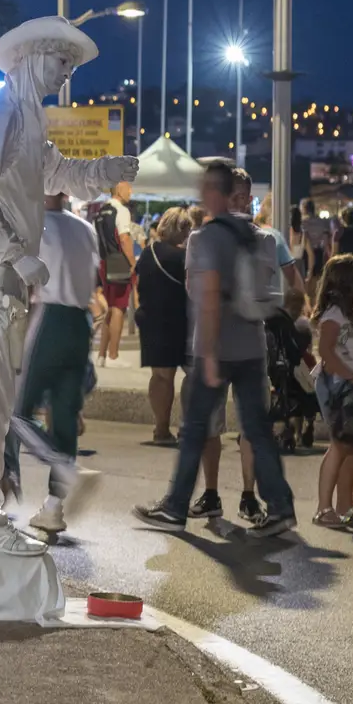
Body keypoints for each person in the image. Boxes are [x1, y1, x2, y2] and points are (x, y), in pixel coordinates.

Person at [0, 17, 137, 564]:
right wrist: (15, 253)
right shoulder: (0, 114)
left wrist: (106, 170)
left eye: (70, 67)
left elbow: (59, 174)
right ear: (33, 59)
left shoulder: (30, 121)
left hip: (6, 282)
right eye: (61, 63)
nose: (65, 75)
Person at [134, 160, 297, 537]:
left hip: (216, 349)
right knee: (256, 430)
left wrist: (205, 353)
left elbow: (203, 294)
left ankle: (175, 507)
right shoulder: (261, 238)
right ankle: (281, 507)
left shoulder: (206, 238)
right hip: (252, 346)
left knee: (194, 430)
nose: (201, 193)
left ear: (216, 194)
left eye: (206, 187)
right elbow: (274, 295)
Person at [16, 193, 100, 540]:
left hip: (50, 316)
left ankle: (63, 467)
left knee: (18, 414)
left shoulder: (35, 224)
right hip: (81, 320)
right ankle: (53, 507)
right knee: (65, 413)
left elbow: (23, 275)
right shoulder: (86, 229)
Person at [311, 255, 353, 527]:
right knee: (340, 445)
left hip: (352, 386)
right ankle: (323, 508)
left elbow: (344, 346)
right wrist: (352, 375)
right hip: (339, 386)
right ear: (347, 281)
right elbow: (325, 350)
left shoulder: (351, 314)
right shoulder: (334, 314)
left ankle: (344, 506)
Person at [136, 207, 192, 446]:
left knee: (159, 376)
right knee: (191, 375)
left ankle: (160, 428)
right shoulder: (182, 258)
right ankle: (187, 428)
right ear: (180, 229)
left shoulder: (148, 253)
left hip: (150, 318)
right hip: (175, 320)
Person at [92, 203, 134, 366]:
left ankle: (102, 355)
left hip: (104, 263)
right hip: (118, 263)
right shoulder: (121, 211)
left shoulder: (100, 212)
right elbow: (124, 239)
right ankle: (113, 355)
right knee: (118, 308)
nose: (129, 191)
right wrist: (132, 263)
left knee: (110, 308)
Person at [300, 198, 332, 284]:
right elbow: (326, 243)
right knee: (318, 282)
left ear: (304, 208)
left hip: (306, 255)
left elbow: (305, 242)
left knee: (307, 283)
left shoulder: (303, 223)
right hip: (319, 254)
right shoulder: (322, 222)